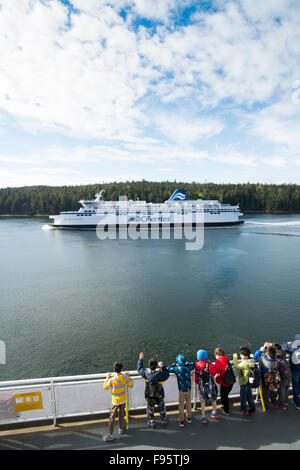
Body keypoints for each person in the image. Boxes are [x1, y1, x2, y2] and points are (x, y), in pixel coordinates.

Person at [137, 352, 170, 428]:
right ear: (156, 366)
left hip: (150, 395)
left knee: (150, 409)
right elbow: (167, 374)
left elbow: (139, 369)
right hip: (159, 395)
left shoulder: (146, 374)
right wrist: (162, 366)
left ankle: (151, 421)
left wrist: (140, 359)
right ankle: (164, 419)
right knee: (161, 408)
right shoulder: (160, 374)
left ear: (149, 366)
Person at [102, 362, 133, 441]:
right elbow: (131, 385)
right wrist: (128, 376)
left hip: (115, 401)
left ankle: (110, 434)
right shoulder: (124, 377)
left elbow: (105, 387)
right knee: (121, 414)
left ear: (114, 370)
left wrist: (107, 377)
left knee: (112, 417)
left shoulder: (112, 379)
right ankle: (121, 428)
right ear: (121, 369)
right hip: (123, 400)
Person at [168, 354, 195, 427]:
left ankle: (181, 420)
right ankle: (189, 418)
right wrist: (187, 363)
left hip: (181, 390)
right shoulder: (188, 367)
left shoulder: (177, 368)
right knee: (189, 403)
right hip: (188, 389)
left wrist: (174, 364)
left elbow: (169, 369)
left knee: (181, 405)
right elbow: (193, 364)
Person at [254, 343, 281, 412]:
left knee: (265, 394)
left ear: (267, 354)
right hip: (273, 380)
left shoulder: (263, 360)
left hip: (264, 380)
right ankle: (274, 403)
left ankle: (267, 408)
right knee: (273, 392)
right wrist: (271, 347)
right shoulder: (276, 360)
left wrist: (261, 350)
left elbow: (255, 356)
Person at [194, 349, 218, 423]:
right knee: (213, 399)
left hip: (202, 387)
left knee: (203, 401)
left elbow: (196, 378)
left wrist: (197, 382)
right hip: (211, 385)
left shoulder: (197, 365)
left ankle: (203, 417)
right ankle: (214, 412)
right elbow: (214, 373)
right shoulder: (210, 364)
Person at [233, 346, 257, 415]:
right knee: (249, 396)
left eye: (241, 354)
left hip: (244, 383)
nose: (240, 355)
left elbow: (236, 366)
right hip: (249, 382)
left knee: (243, 397)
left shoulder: (244, 364)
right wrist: (251, 354)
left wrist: (235, 358)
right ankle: (253, 409)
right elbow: (252, 356)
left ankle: (244, 410)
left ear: (246, 356)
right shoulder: (251, 361)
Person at [214, 347, 235, 416]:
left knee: (224, 396)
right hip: (231, 381)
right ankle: (225, 407)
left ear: (217, 354)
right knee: (226, 395)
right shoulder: (227, 359)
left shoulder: (218, 361)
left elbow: (216, 372)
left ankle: (226, 410)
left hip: (225, 383)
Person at [281, 334, 300, 410]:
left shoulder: (293, 348)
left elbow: (282, 347)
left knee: (295, 385)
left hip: (295, 370)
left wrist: (288, 343)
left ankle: (297, 403)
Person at [274, 343, 292, 410]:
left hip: (283, 376)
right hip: (289, 374)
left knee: (282, 391)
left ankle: (283, 405)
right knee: (286, 389)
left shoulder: (277, 359)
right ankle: (286, 402)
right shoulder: (283, 353)